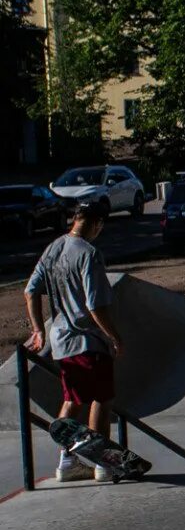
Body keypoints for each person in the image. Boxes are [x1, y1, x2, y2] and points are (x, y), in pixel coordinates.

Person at [23, 201, 123, 483]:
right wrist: (114, 337)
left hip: (62, 342)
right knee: (102, 399)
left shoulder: (53, 249)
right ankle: (102, 462)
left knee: (71, 399)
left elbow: (30, 291)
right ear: (96, 223)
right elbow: (95, 306)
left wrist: (38, 330)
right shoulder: (89, 254)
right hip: (89, 341)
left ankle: (67, 461)